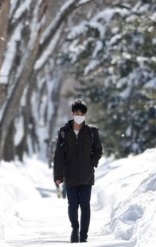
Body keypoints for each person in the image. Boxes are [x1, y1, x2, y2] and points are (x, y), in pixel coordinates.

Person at [53, 99, 103, 243]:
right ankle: (75, 228)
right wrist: (58, 175)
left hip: (87, 176)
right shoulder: (64, 132)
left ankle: (84, 235)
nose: (79, 115)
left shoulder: (91, 132)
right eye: (76, 113)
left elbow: (98, 150)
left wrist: (92, 163)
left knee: (85, 205)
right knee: (73, 205)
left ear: (85, 115)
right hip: (70, 175)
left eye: (82, 113)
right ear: (72, 113)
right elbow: (59, 155)